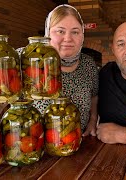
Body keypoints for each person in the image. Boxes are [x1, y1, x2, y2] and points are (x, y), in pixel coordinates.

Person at [37, 4, 98, 136]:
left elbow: (94, 96)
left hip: (79, 144)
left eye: (75, 32)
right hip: (34, 147)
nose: (68, 38)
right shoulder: (31, 61)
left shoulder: (88, 64)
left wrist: (93, 120)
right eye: (60, 31)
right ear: (48, 34)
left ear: (82, 35)